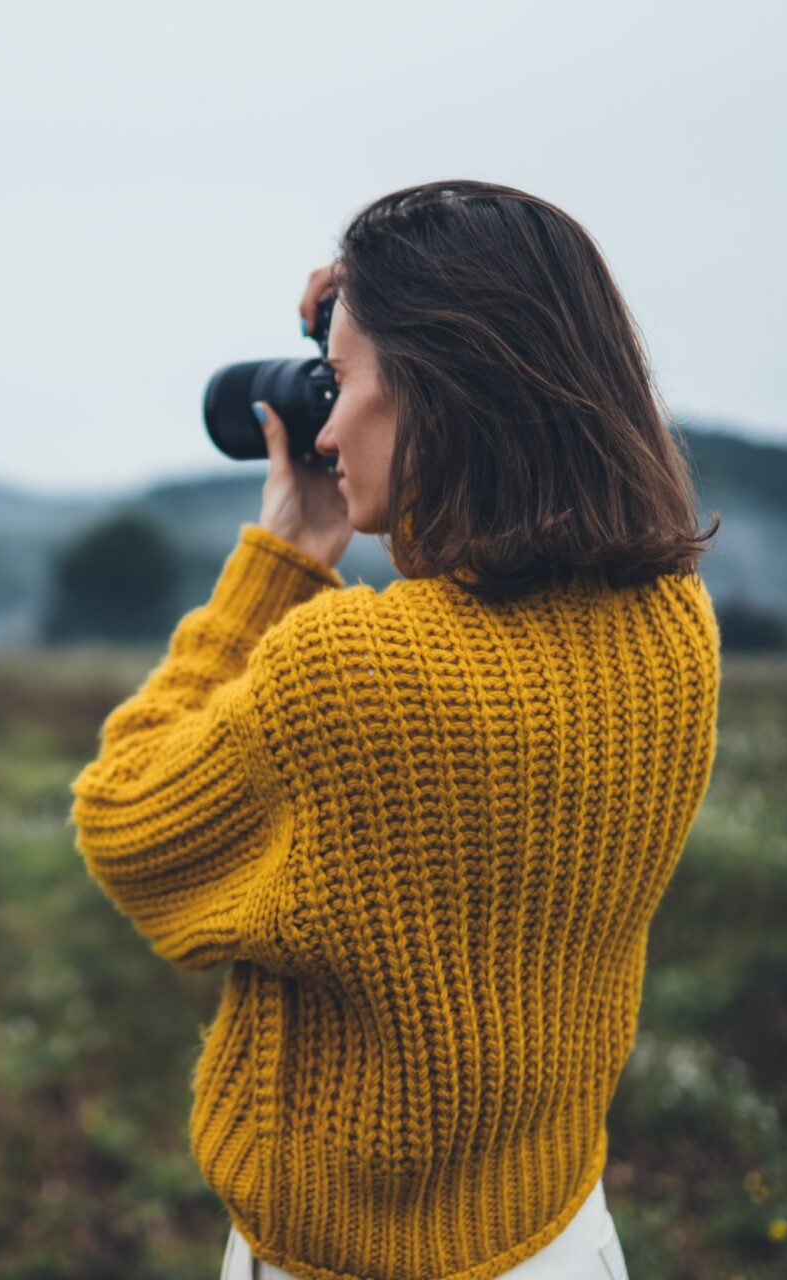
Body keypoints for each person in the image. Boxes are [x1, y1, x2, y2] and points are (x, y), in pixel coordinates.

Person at [68, 179, 722, 1280]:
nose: (324, 424)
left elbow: (127, 819)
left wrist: (284, 554)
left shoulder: (353, 675)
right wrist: (369, 318)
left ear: (443, 394)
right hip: (559, 1230)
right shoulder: (672, 625)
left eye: (351, 381)